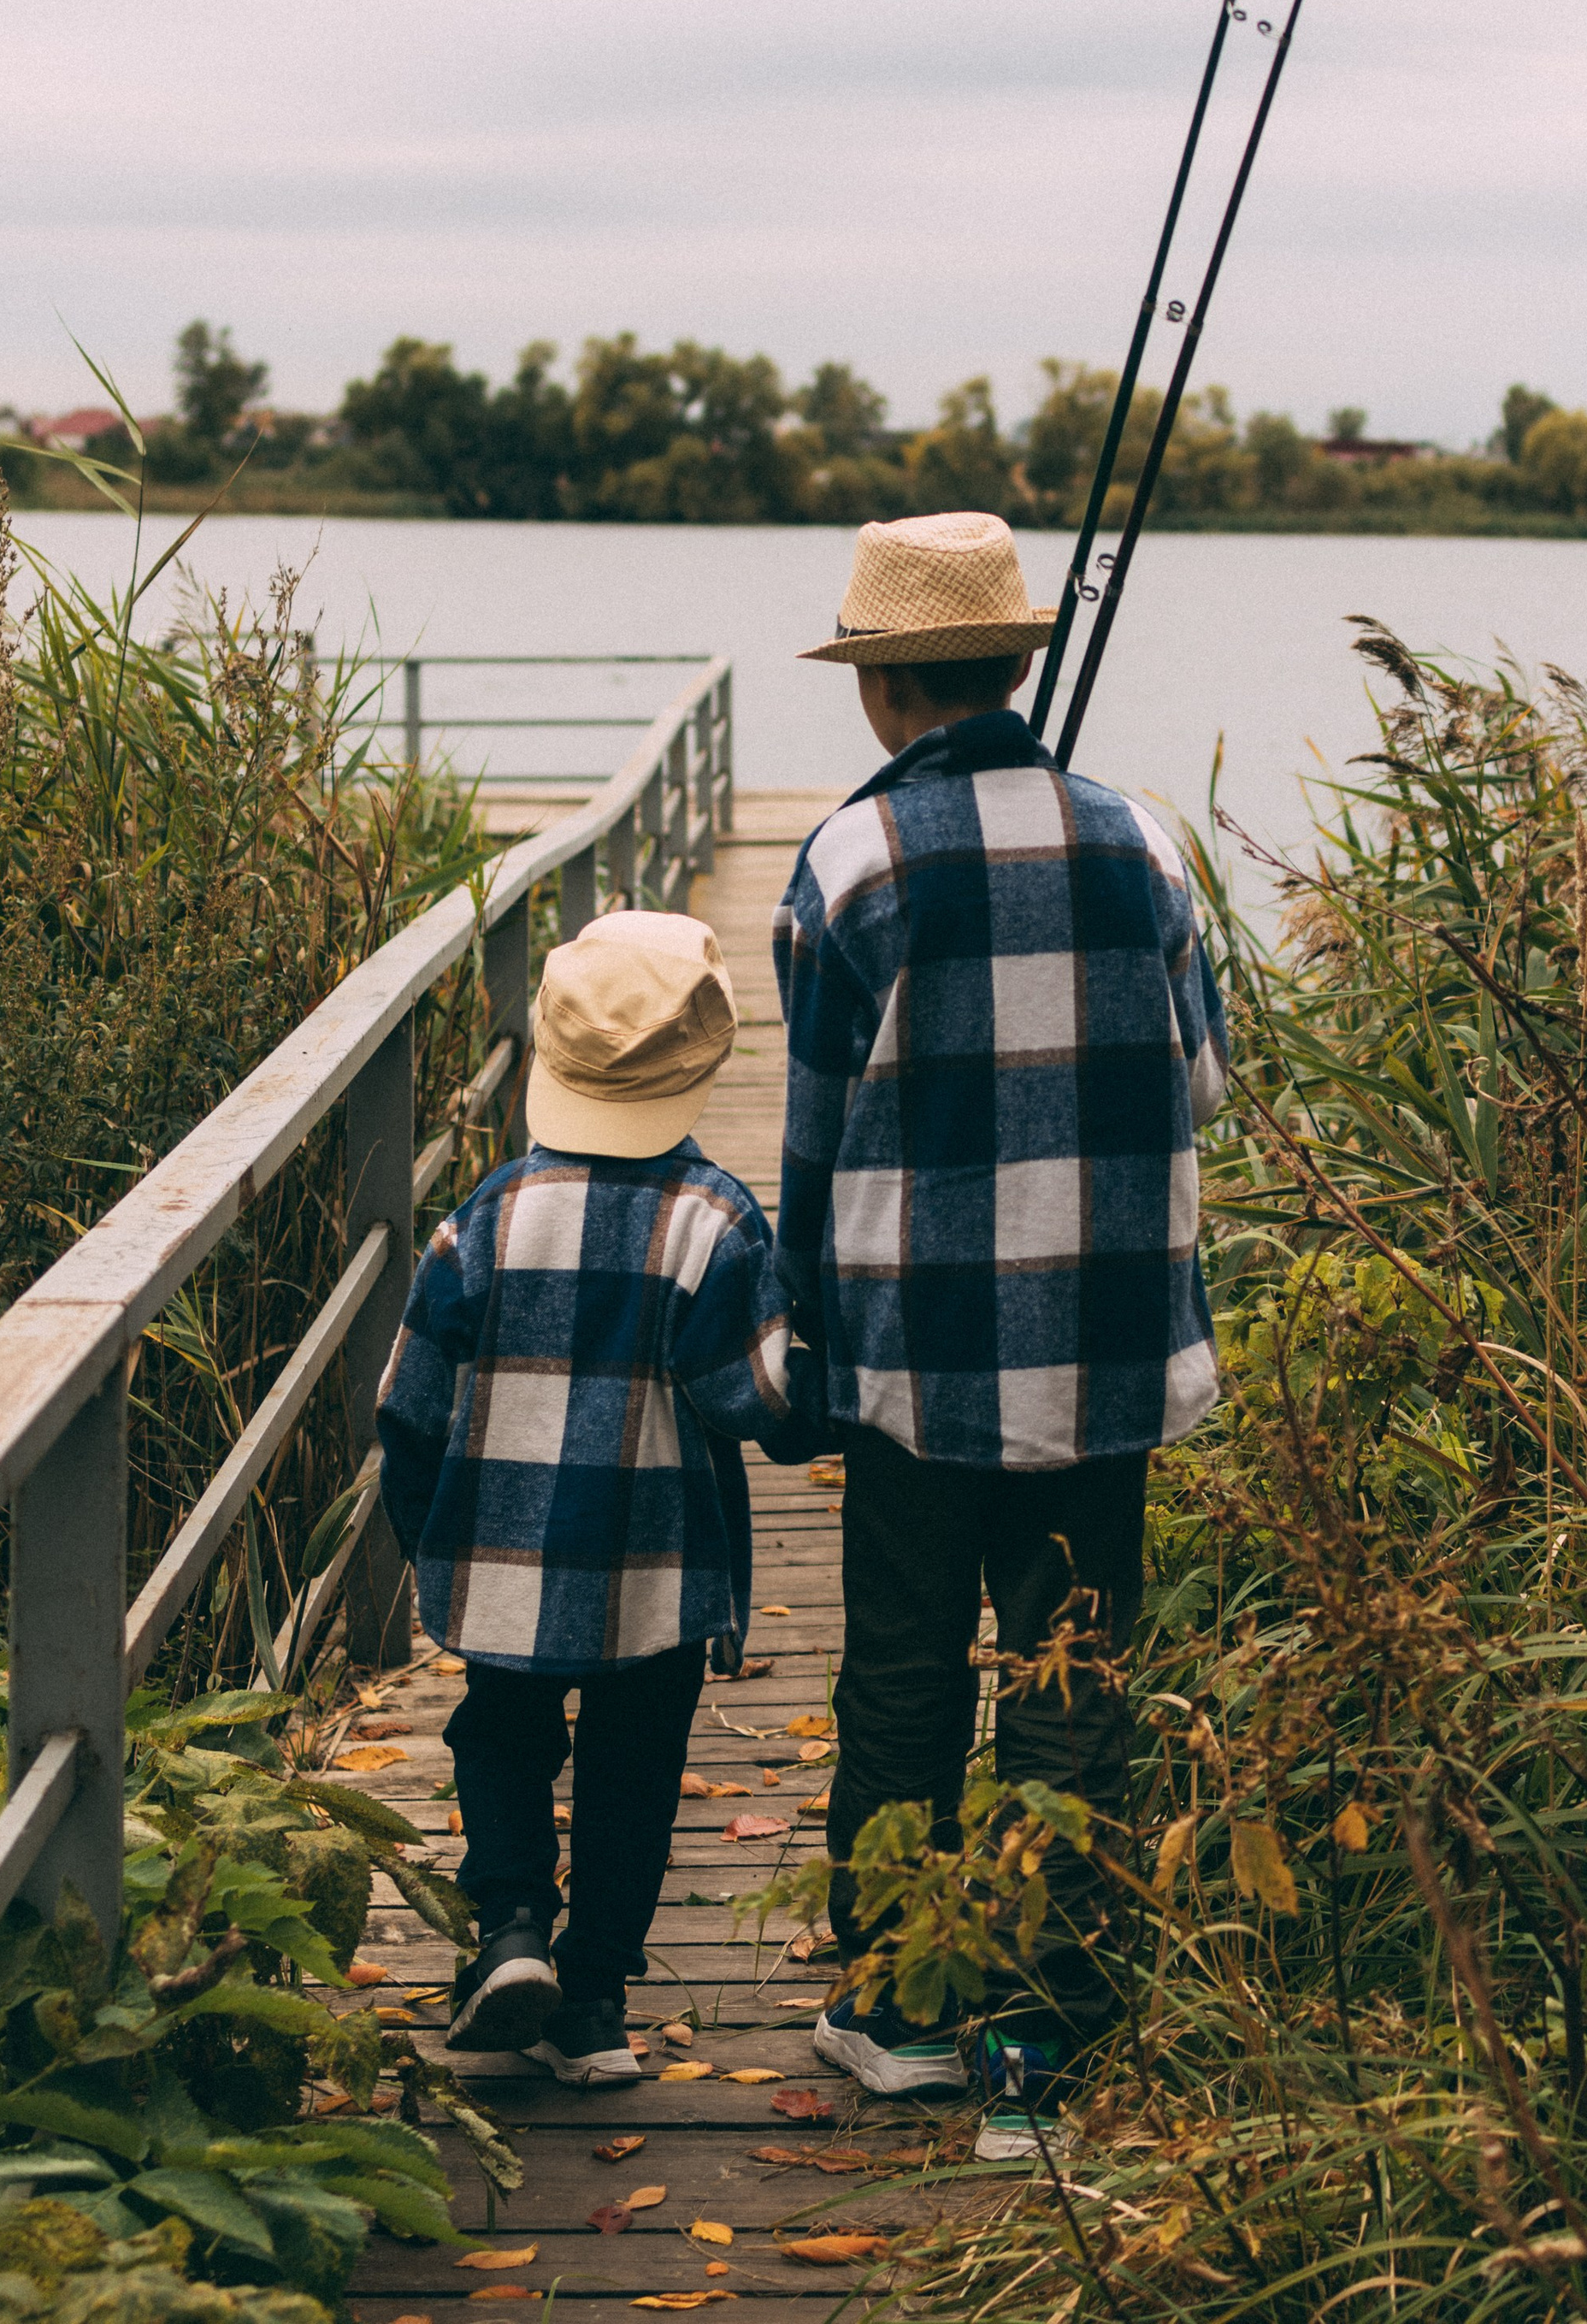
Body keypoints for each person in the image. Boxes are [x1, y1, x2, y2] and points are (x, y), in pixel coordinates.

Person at [776, 510, 1228, 2158]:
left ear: (884, 682)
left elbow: (814, 1146)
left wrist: (804, 1348)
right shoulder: (1150, 843)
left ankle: (897, 2011)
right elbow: (1202, 1086)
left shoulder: (848, 862)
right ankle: (1040, 2040)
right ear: (1014, 660)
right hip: (1109, 1356)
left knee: (902, 1670)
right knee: (1072, 1676)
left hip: (917, 1369)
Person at [377, 907, 810, 2085]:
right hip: (656, 1572)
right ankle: (598, 2002)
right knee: (633, 1771)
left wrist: (430, 1542)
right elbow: (746, 1405)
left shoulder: (484, 1219)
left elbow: (410, 1404)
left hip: (503, 1561)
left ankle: (511, 1927)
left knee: (500, 1737)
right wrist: (805, 1359)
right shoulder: (717, 1221)